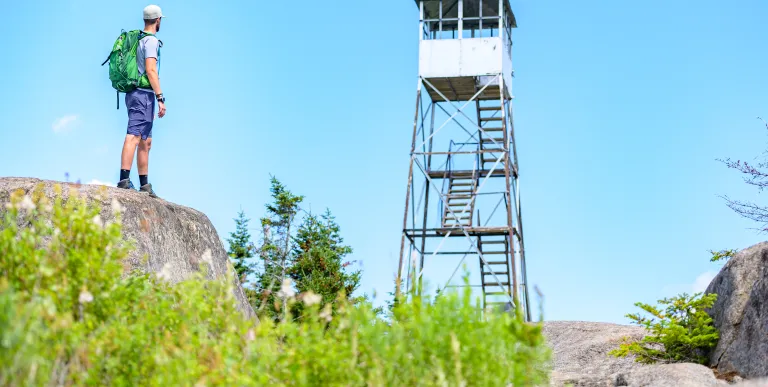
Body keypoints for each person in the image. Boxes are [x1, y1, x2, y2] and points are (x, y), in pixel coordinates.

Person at [117, 4, 166, 198]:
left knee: (146, 140)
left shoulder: (138, 39)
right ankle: (124, 180)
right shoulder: (151, 41)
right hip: (142, 95)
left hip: (137, 94)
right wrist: (160, 97)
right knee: (134, 135)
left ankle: (144, 185)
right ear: (158, 20)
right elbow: (151, 70)